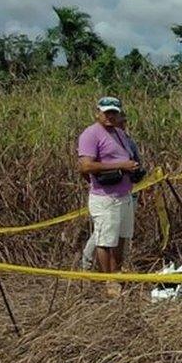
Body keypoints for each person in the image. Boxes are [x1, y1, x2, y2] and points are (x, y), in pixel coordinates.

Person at [77, 97, 142, 298]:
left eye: (114, 112)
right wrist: (120, 166)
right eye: (106, 113)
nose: (110, 116)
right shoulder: (90, 134)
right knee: (105, 241)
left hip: (124, 194)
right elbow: (86, 166)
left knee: (121, 238)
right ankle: (108, 280)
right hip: (105, 197)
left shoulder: (120, 134)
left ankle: (117, 273)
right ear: (98, 112)